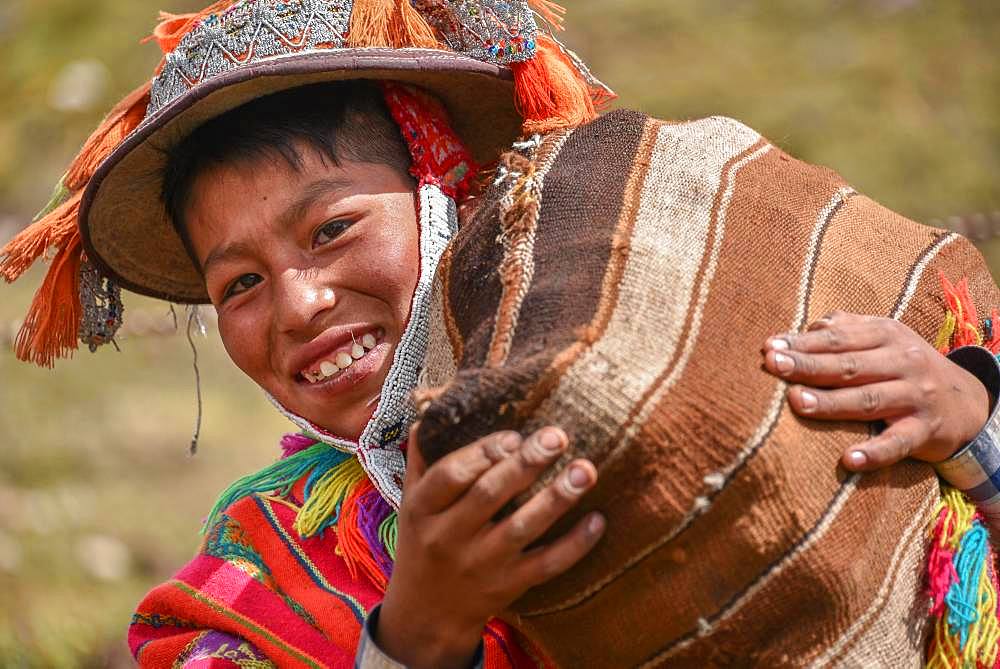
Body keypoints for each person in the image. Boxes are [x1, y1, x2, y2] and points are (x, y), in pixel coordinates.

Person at [2, 1, 997, 666]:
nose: (299, 304)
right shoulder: (263, 567)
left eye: (334, 228)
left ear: (445, 196)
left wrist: (964, 423)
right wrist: (417, 632)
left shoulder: (676, 358)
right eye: (242, 284)